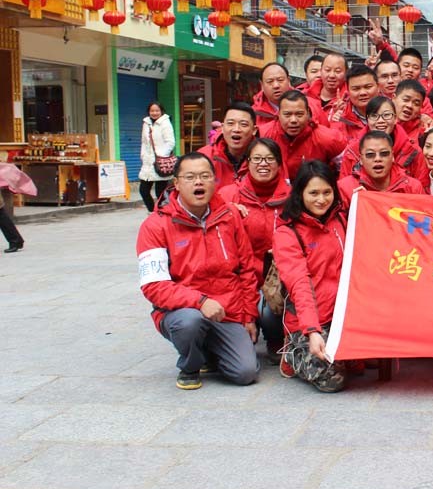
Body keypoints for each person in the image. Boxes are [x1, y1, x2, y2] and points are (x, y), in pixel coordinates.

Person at [136, 152, 259, 390]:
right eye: (190, 177)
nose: (198, 182)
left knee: (245, 373)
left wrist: (248, 316)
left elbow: (246, 269)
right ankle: (190, 365)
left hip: (227, 310)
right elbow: (154, 286)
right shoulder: (155, 225)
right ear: (176, 183)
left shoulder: (230, 215)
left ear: (215, 180)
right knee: (189, 323)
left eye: (205, 176)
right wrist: (200, 301)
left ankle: (209, 350)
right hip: (184, 311)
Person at [272, 160, 349, 392]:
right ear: (300, 194)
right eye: (313, 193)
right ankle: (292, 354)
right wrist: (312, 331)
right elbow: (299, 285)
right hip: (309, 320)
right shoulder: (287, 233)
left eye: (327, 192)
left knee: (364, 361)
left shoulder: (341, 220)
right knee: (331, 381)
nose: (321, 199)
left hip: (341, 315)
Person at [217, 137, 291, 363]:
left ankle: (275, 338)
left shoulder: (293, 197)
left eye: (269, 159)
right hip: (240, 279)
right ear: (247, 163)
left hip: (278, 282)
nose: (263, 164)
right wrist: (228, 210)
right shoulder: (228, 195)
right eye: (257, 159)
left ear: (279, 163)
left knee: (268, 309)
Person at [339, 96, 428, 184]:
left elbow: (421, 188)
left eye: (387, 115)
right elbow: (345, 187)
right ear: (367, 120)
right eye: (374, 116)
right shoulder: (352, 151)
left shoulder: (413, 151)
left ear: (395, 118)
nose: (380, 120)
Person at [262, 90, 347, 181]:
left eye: (299, 114)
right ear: (278, 114)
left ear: (308, 114)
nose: (293, 120)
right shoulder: (264, 134)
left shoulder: (329, 138)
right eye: (287, 115)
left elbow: (346, 171)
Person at [338, 130, 426, 198]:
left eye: (384, 153)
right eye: (370, 154)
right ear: (360, 159)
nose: (377, 159)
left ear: (392, 156)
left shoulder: (412, 187)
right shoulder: (346, 188)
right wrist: (355, 204)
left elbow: (424, 215)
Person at [197, 102, 256, 187]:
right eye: (230, 123)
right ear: (222, 128)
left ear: (254, 130)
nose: (236, 129)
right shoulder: (204, 156)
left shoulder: (264, 157)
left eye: (243, 124)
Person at [252, 62, 329, 127]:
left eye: (280, 80)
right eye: (270, 81)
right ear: (262, 85)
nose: (276, 85)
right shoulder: (253, 113)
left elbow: (325, 133)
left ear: (288, 81)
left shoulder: (312, 105)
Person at [139, 101, 175, 212]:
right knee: (143, 190)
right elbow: (144, 142)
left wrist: (161, 156)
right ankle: (152, 212)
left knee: (160, 193)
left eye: (157, 110)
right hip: (148, 163)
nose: (154, 113)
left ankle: (163, 213)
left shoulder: (165, 123)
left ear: (161, 111)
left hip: (161, 162)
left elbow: (170, 142)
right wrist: (143, 155)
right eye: (152, 111)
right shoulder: (146, 123)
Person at [338, 64, 381, 143]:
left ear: (378, 87)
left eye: (368, 87)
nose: (362, 93)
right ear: (348, 91)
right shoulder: (340, 120)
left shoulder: (393, 113)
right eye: (356, 89)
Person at [306, 52, 347, 123]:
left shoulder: (351, 101)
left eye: (337, 71)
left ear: (346, 73)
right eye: (327, 70)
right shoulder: (305, 98)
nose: (331, 75)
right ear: (321, 71)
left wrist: (342, 119)